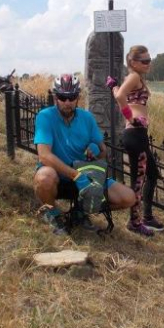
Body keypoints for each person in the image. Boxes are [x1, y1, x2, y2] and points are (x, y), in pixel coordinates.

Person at [33, 74, 136, 235]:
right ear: (55, 97)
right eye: (62, 97)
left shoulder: (87, 118)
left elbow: (103, 152)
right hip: (60, 177)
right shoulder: (45, 117)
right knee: (44, 177)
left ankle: (80, 212)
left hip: (86, 178)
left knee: (129, 197)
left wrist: (94, 147)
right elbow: (44, 155)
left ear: (78, 97)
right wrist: (76, 176)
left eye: (72, 97)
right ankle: (53, 214)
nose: (67, 102)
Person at [110, 45, 164, 237]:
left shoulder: (134, 78)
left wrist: (113, 86)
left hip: (137, 134)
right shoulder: (133, 76)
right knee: (139, 180)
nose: (148, 63)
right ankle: (135, 221)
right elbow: (120, 97)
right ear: (133, 62)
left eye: (150, 60)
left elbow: (118, 92)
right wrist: (131, 118)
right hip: (135, 132)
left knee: (152, 174)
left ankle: (146, 216)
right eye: (145, 61)